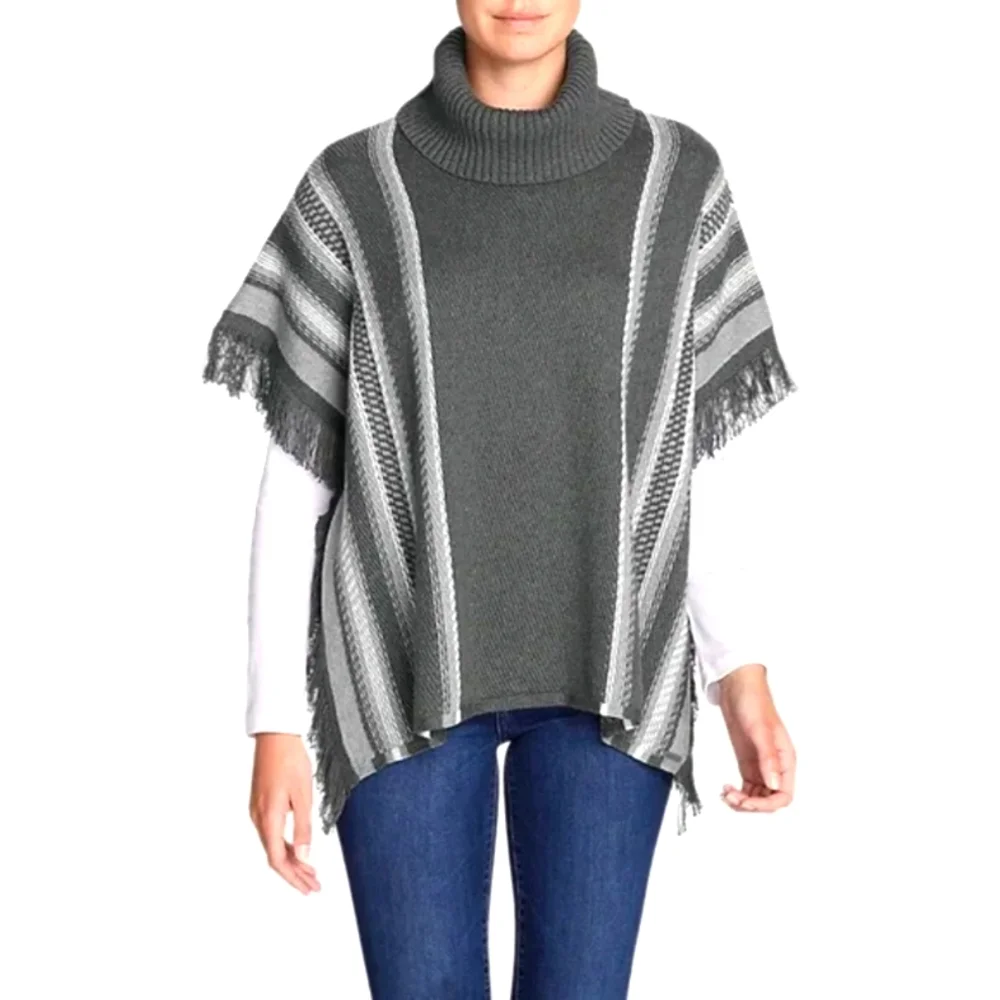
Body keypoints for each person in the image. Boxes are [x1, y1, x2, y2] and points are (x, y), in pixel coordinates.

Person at [202, 2, 798, 997]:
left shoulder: (674, 180)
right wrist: (273, 722)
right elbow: (297, 470)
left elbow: (688, 452)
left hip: (611, 665)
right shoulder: (356, 187)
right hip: (399, 663)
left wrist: (740, 672)